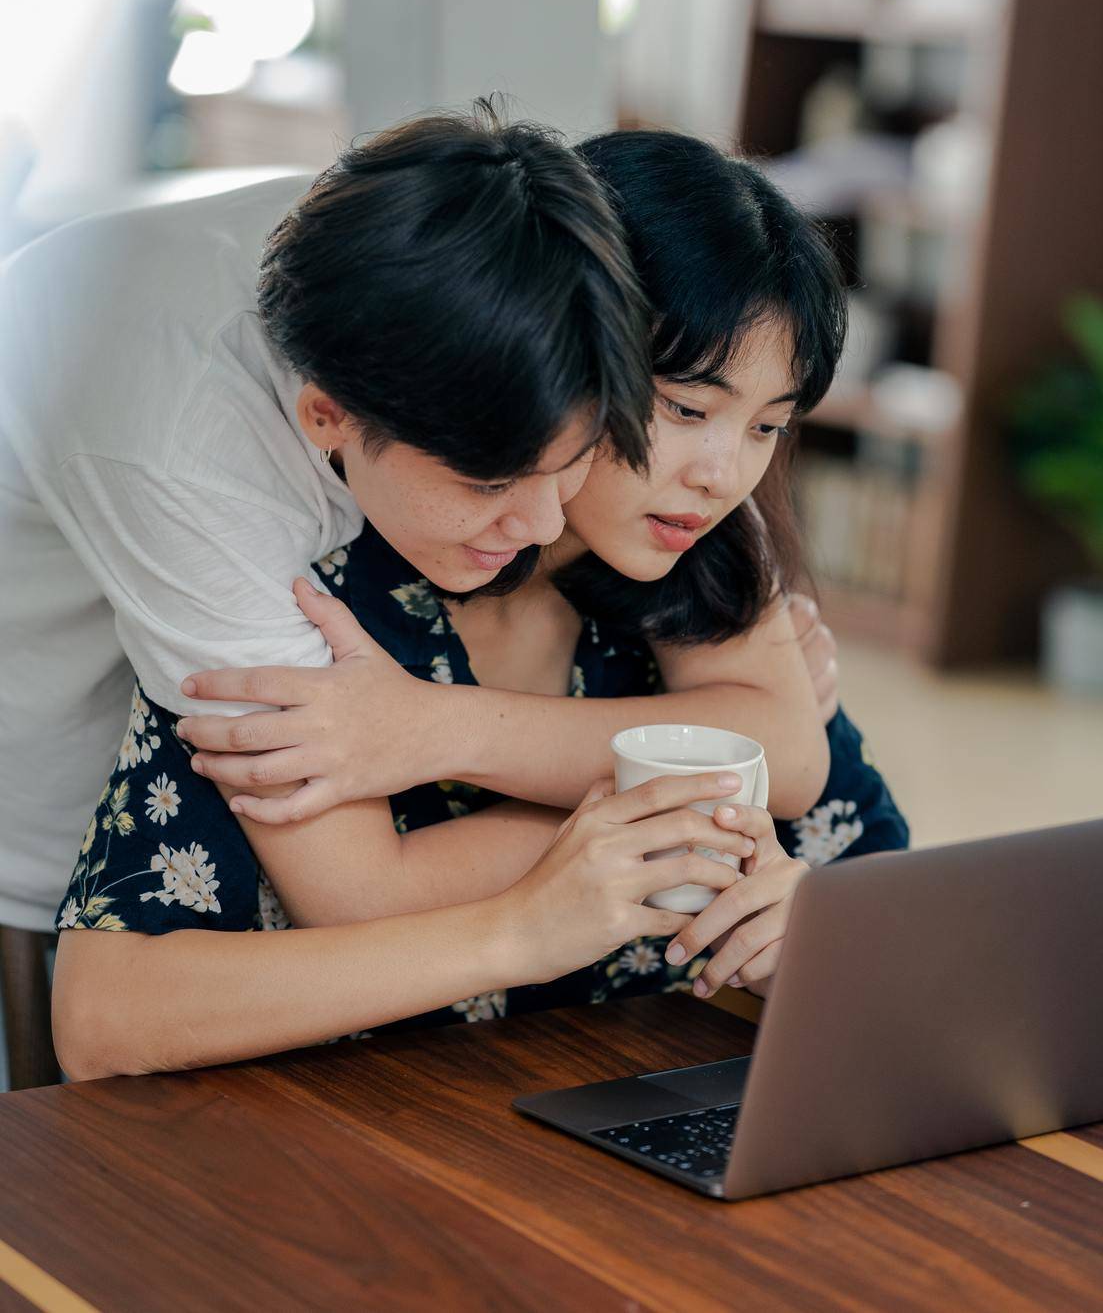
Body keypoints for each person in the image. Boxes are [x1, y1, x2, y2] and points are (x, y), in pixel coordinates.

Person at [52, 133, 907, 1077]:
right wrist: (566, 893)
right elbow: (109, 1012)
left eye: (769, 428)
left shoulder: (690, 586)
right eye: (684, 409)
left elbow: (886, 912)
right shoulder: (309, 605)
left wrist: (794, 942)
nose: (721, 479)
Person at [0, 106, 657, 936]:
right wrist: (657, 818)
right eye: (491, 483)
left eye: (571, 467)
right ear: (327, 417)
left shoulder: (445, 249)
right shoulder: (183, 447)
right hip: (56, 844)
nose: (539, 523)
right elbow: (354, 894)